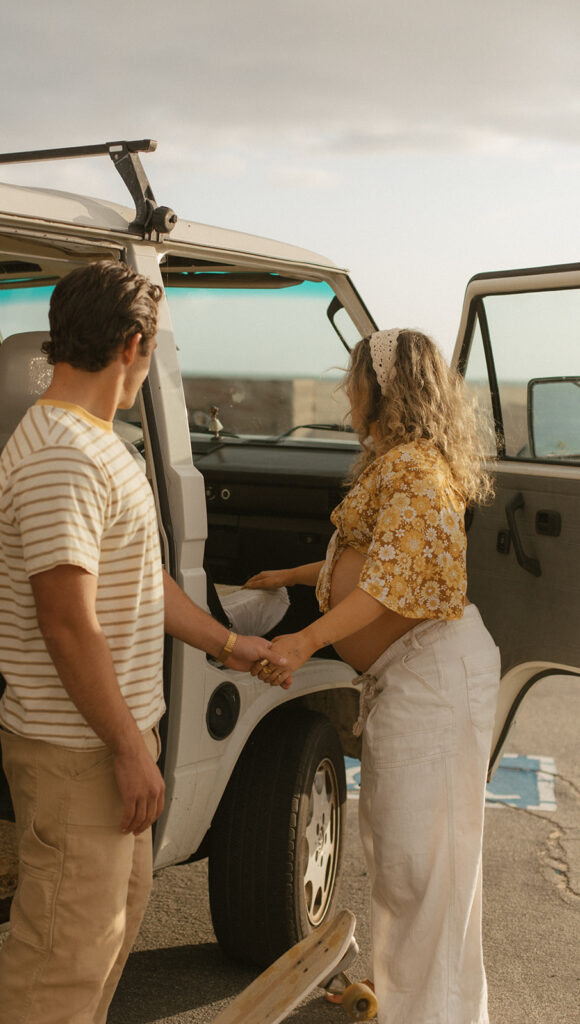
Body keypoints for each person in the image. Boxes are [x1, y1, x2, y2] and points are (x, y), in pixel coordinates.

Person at [0, 261, 286, 1024]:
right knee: (60, 963)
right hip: (77, 750)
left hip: (103, 742)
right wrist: (127, 747)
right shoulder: (64, 454)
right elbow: (67, 620)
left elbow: (143, 585)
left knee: (100, 937)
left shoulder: (93, 443)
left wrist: (228, 643)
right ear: (132, 344)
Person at [245, 328, 498, 1024]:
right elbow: (374, 554)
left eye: (354, 379)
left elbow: (386, 585)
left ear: (385, 391)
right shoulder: (401, 466)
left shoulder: (415, 470)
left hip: (432, 675)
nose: (346, 392)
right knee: (408, 869)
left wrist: (303, 640)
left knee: (424, 872)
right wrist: (296, 576)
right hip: (414, 675)